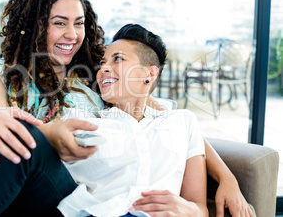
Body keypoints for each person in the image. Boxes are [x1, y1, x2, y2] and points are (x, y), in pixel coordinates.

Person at [0, 0, 252, 216]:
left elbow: (167, 121)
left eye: (79, 23)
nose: (73, 34)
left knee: (25, 139)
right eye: (60, 23)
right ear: (35, 26)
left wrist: (227, 177)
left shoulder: (95, 80)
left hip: (48, 187)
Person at [57, 24, 208, 217]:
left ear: (150, 74)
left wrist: (191, 210)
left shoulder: (182, 121)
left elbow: (200, 207)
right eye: (102, 63)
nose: (103, 69)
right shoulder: (81, 121)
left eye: (117, 59)